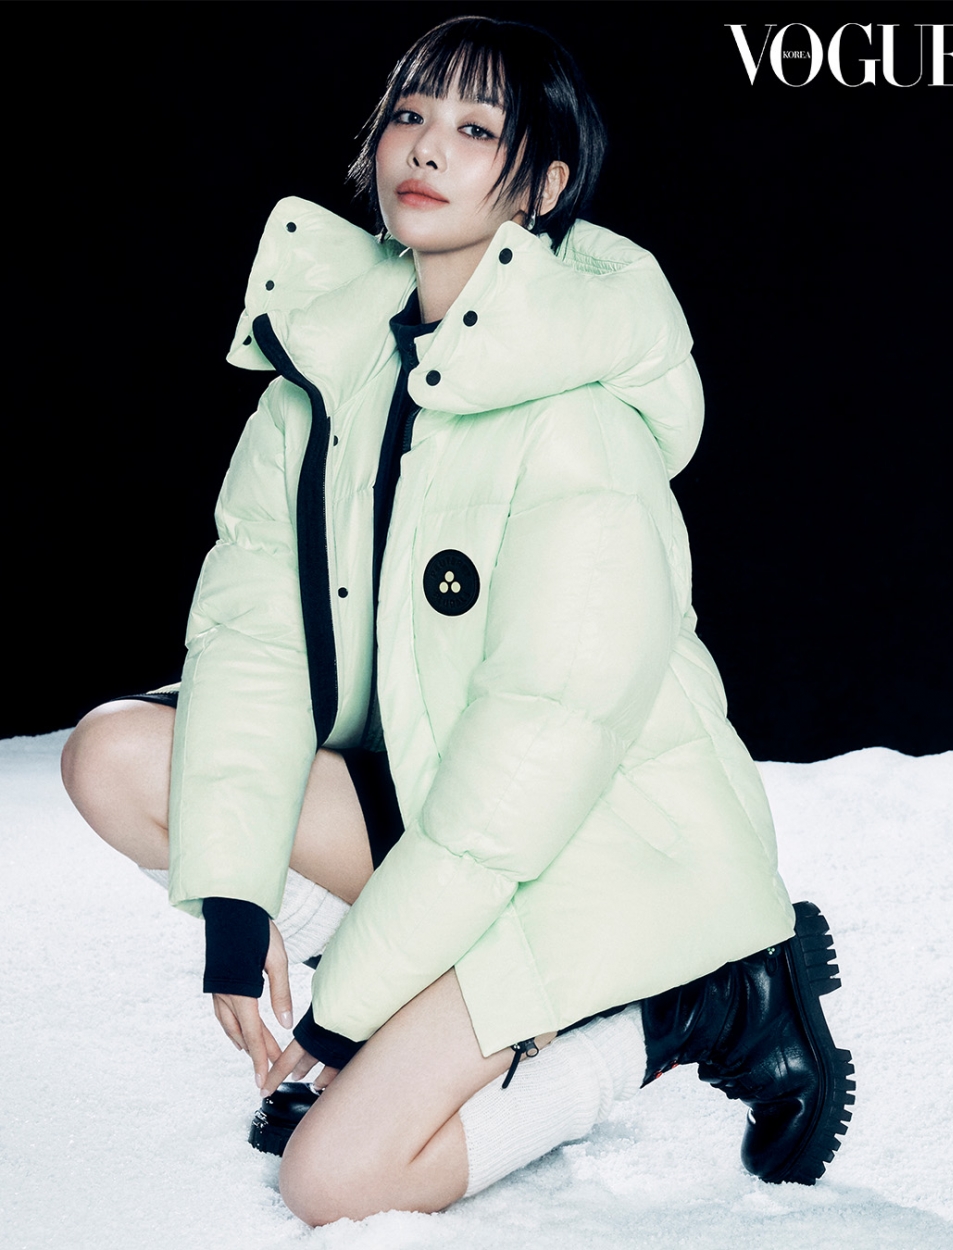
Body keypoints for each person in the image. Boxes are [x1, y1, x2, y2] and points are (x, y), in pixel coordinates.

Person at [61, 15, 852, 1225]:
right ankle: (414, 993)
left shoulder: (578, 425)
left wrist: (342, 1016)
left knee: (335, 1176)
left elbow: (520, 778)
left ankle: (687, 1004)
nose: (425, 146)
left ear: (540, 188)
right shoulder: (324, 376)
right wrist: (232, 902)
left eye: (478, 129)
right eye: (410, 113)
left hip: (585, 850)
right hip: (434, 801)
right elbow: (253, 645)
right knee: (115, 755)